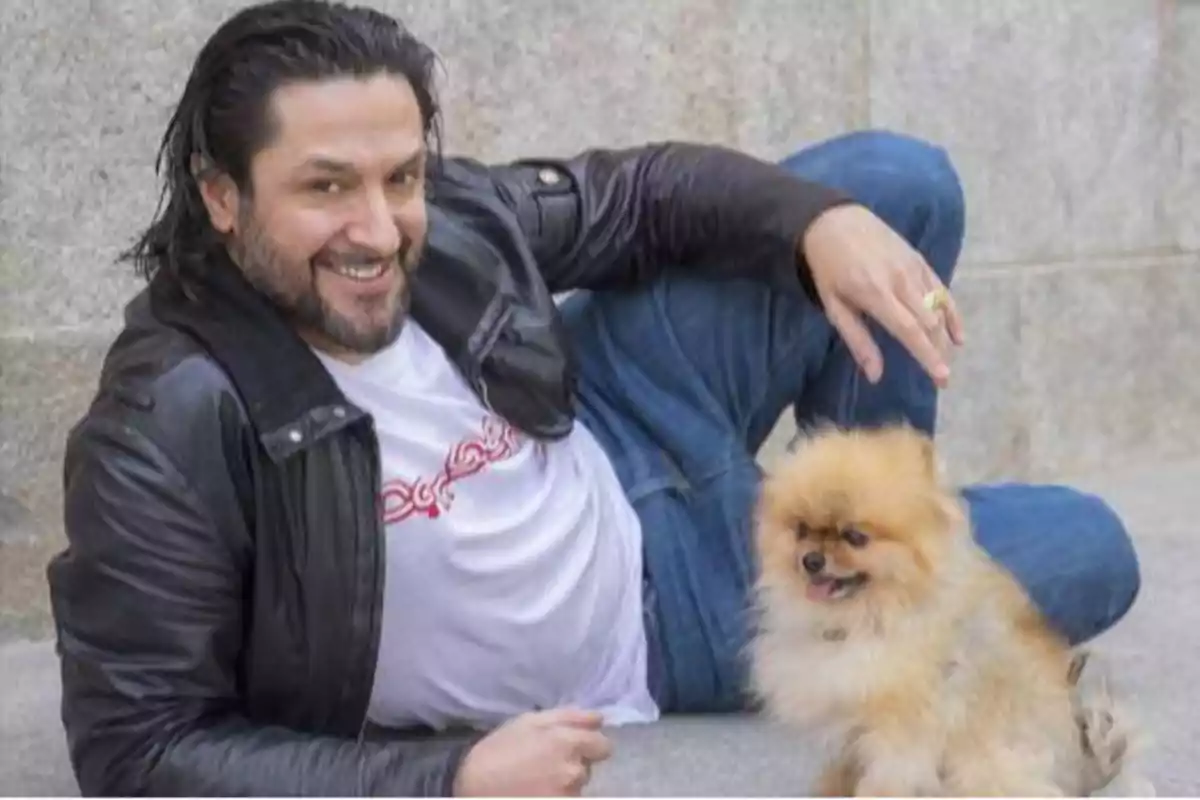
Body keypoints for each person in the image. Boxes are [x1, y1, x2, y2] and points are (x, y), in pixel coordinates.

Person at [46, 0, 1140, 796]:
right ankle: (853, 619)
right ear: (222, 195)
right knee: (1093, 551)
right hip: (677, 612)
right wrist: (450, 772)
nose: (380, 230)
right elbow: (141, 747)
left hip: (622, 413)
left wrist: (817, 226)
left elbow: (643, 194)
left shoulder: (449, 214)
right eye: (325, 186)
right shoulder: (164, 424)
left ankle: (861, 530)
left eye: (401, 177)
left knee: (895, 186)